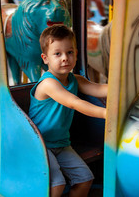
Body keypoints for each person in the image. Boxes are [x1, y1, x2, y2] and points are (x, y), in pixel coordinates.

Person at [29, 24, 107, 197]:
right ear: (45, 58)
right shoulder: (48, 83)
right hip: (40, 144)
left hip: (61, 143)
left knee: (84, 179)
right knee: (56, 184)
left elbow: (99, 89)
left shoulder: (75, 79)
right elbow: (74, 102)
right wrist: (105, 113)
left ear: (76, 54)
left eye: (69, 52)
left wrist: (123, 85)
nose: (65, 58)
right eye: (57, 54)